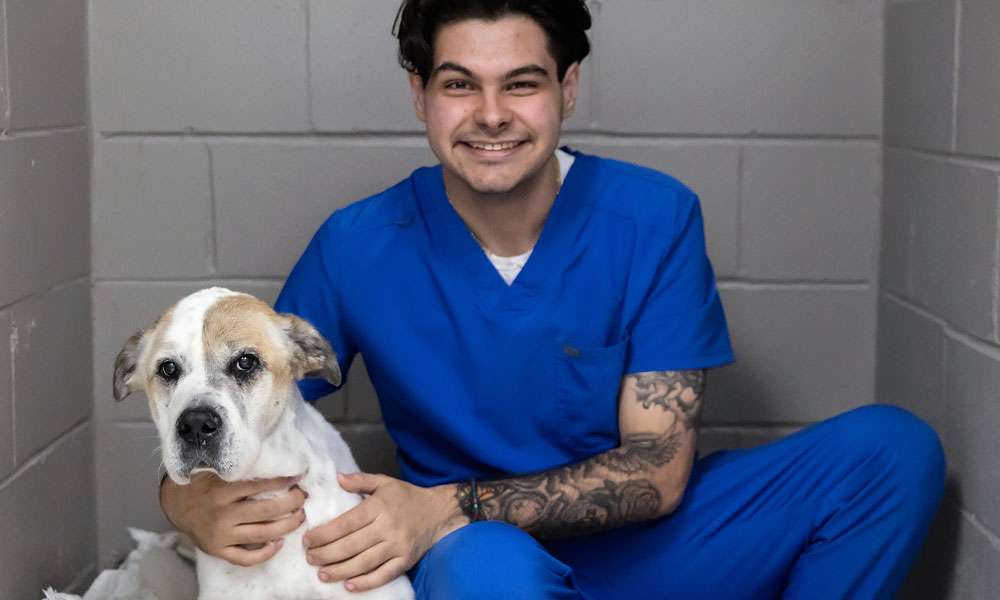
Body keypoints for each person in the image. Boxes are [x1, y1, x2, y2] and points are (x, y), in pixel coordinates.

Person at [159, 1, 946, 597]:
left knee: (892, 452)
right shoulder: (358, 242)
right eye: (459, 84)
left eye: (523, 84)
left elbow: (660, 475)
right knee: (484, 570)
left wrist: (445, 504)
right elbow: (252, 398)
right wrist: (181, 501)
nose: (492, 115)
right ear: (419, 94)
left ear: (567, 88)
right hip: (477, 558)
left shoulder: (653, 216)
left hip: (648, 542)